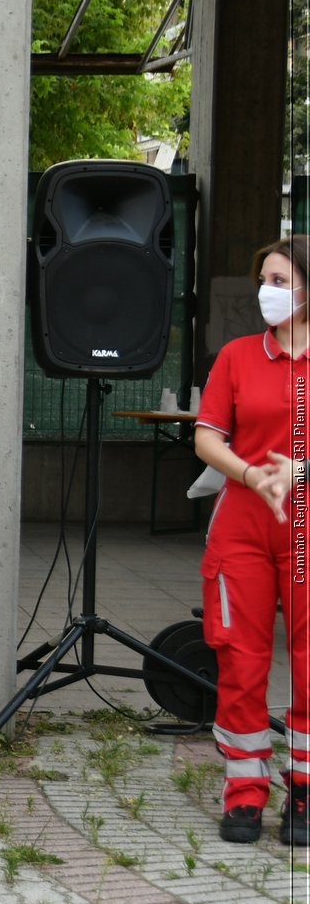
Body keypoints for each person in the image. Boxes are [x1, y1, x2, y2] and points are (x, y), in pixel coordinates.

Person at [194, 234, 310, 846]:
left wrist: (300, 470)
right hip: (242, 522)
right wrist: (250, 474)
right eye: (265, 279)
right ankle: (244, 794)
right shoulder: (237, 356)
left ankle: (306, 793)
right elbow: (207, 436)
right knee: (241, 659)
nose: (269, 292)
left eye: (283, 281)